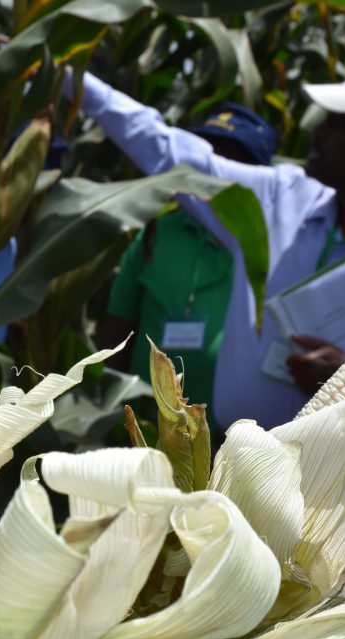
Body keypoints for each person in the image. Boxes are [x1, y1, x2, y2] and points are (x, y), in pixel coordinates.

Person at [68, 66, 345, 429]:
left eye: (338, 125)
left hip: (341, 496)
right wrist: (70, 78)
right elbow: (167, 151)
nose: (317, 131)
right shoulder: (275, 199)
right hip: (230, 460)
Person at [97, 104, 277, 428]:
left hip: (238, 437)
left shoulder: (273, 244)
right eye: (205, 159)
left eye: (228, 162)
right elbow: (117, 331)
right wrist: (104, 411)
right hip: (147, 428)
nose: (210, 173)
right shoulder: (155, 232)